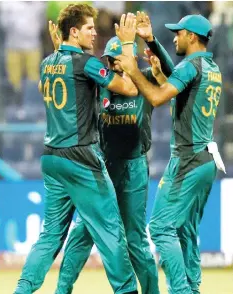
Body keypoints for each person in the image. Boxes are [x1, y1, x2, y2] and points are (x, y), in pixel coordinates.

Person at [14, 5, 139, 294]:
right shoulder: (87, 63)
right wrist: (129, 46)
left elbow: (49, 85)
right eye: (88, 28)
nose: (95, 32)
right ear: (73, 31)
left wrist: (61, 53)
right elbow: (129, 89)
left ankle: (21, 290)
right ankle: (127, 291)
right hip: (81, 157)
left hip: (52, 158)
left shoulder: (47, 63)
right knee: (110, 230)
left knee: (49, 236)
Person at [115, 13, 225, 294]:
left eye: (178, 33)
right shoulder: (210, 67)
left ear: (191, 36)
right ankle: (193, 288)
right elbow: (179, 75)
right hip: (206, 160)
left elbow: (156, 96)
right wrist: (151, 40)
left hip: (187, 160)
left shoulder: (191, 66)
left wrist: (133, 69)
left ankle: (181, 290)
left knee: (162, 228)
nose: (174, 37)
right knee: (186, 232)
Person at [51, 34, 164, 294]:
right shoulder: (99, 81)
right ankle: (61, 291)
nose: (113, 66)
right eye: (110, 61)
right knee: (82, 234)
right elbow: (66, 83)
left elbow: (170, 79)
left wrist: (154, 50)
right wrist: (60, 54)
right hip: (102, 166)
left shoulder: (146, 77)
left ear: (131, 58)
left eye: (118, 60)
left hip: (134, 168)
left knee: (135, 240)